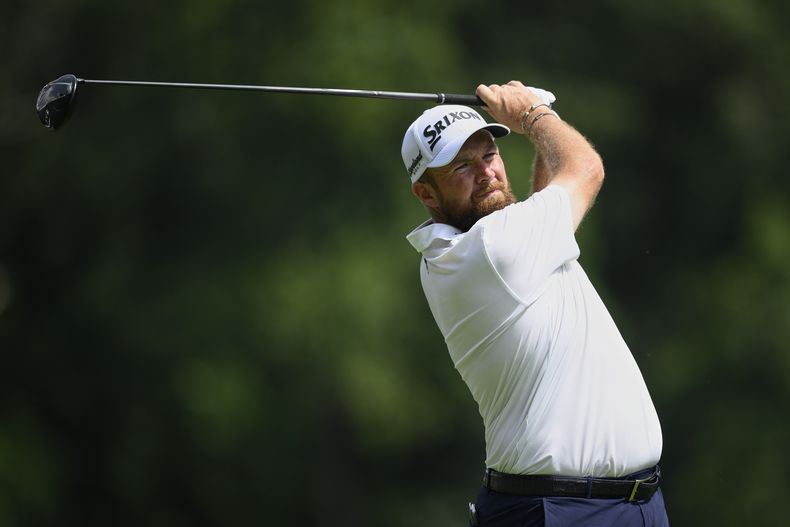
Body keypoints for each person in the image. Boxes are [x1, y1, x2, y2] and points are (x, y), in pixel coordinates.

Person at [401, 81, 669, 526]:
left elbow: (544, 207)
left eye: (489, 155)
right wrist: (533, 116)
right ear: (426, 194)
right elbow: (586, 169)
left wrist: (539, 121)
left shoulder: (483, 247)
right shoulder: (492, 249)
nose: (486, 173)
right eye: (461, 167)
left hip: (622, 505)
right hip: (560, 511)